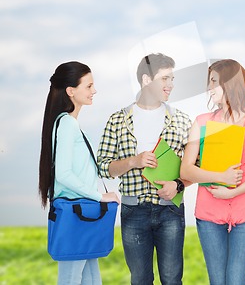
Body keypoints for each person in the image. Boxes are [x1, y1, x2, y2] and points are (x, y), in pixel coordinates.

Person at [97, 53, 192, 285]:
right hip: (134, 211)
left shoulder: (181, 120)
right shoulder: (118, 120)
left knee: (172, 279)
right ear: (146, 80)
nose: (170, 85)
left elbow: (196, 166)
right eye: (165, 79)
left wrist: (178, 185)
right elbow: (103, 167)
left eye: (172, 79)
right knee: (140, 279)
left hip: (170, 210)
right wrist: (133, 161)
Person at [180, 59, 245, 285]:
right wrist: (219, 178)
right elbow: (186, 169)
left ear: (230, 83)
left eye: (214, 82)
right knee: (217, 281)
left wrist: (233, 192)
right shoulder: (202, 122)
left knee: (235, 281)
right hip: (209, 213)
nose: (209, 88)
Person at [38, 61, 120, 285]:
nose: (94, 91)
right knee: (71, 279)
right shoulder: (67, 124)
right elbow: (63, 175)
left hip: (82, 214)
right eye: (89, 86)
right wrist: (100, 196)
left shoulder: (71, 124)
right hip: (76, 213)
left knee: (92, 279)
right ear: (71, 91)